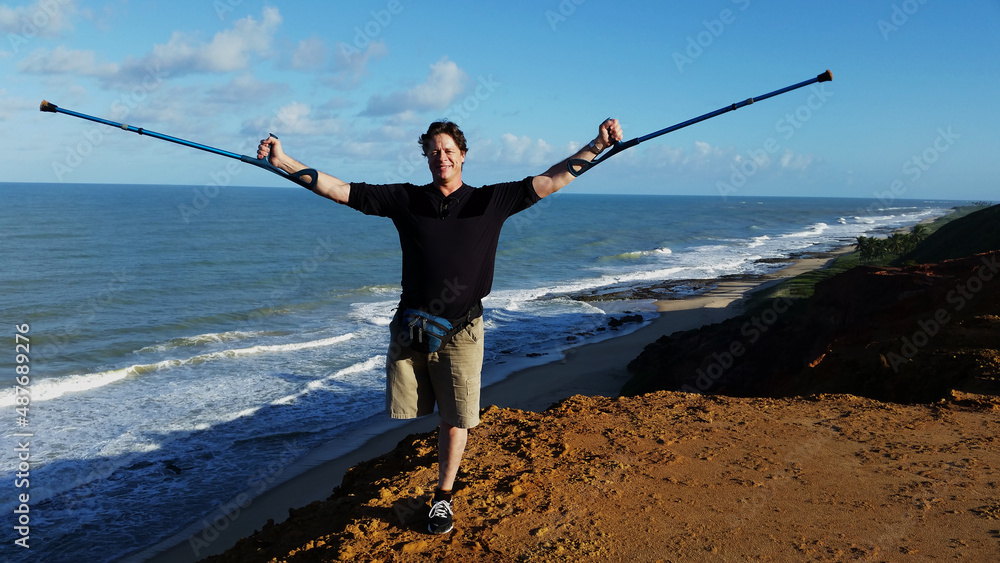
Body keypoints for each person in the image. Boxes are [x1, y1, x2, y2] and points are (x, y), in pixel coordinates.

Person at [256, 117, 622, 535]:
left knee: (456, 417)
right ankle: (430, 470)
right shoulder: (404, 199)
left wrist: (598, 145)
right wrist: (283, 161)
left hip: (463, 330)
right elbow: (339, 191)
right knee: (409, 411)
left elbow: (555, 178)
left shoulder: (493, 200)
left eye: (448, 150)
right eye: (433, 151)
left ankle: (443, 498)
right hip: (412, 327)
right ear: (427, 158)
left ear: (463, 155)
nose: (441, 156)